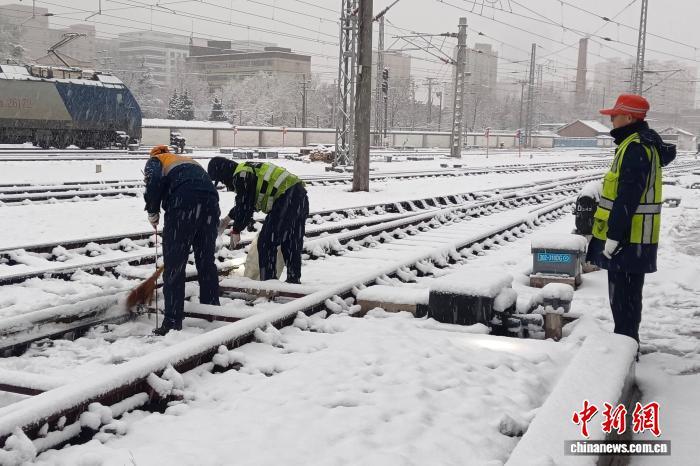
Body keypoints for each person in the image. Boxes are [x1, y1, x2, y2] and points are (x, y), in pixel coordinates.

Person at [587, 94, 676, 346]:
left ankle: (625, 348)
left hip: (628, 238)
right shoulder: (640, 143)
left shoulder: (635, 147)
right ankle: (626, 344)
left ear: (628, 117)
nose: (611, 120)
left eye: (614, 116)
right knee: (627, 299)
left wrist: (614, 236)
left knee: (624, 300)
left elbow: (627, 197)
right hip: (634, 238)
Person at [144, 145, 221, 335]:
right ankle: (211, 311)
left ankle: (172, 321)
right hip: (210, 203)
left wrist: (152, 211)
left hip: (183, 204)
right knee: (206, 261)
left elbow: (153, 183)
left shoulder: (156, 160)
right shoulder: (186, 160)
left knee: (175, 265)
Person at [207, 157, 309, 284]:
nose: (226, 185)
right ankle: (293, 280)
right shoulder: (247, 170)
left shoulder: (241, 175)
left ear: (223, 173)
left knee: (266, 242)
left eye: (222, 180)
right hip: (299, 197)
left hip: (286, 199)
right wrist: (228, 218)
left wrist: (236, 230)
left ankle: (269, 285)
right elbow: (246, 202)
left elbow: (245, 206)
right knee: (291, 242)